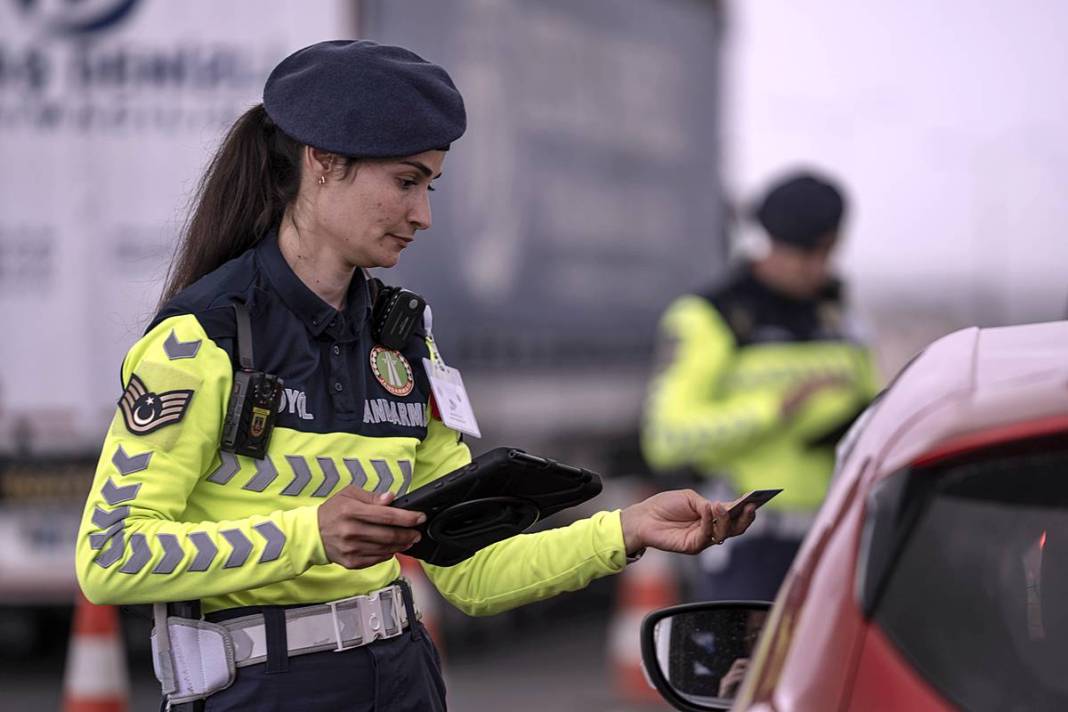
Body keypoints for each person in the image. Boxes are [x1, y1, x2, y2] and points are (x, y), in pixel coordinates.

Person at [74, 40, 757, 711]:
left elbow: (468, 573)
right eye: (406, 182)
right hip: (259, 693)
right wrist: (312, 534)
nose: (424, 215)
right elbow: (110, 557)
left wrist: (626, 530)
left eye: (431, 185)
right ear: (322, 161)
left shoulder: (404, 338)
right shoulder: (202, 338)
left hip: (404, 679)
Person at [641, 170, 879, 602]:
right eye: (803, 253)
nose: (816, 267)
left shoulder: (842, 318)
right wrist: (775, 410)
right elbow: (666, 438)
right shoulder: (709, 316)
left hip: (835, 543)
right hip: (747, 549)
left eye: (825, 252)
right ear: (768, 239)